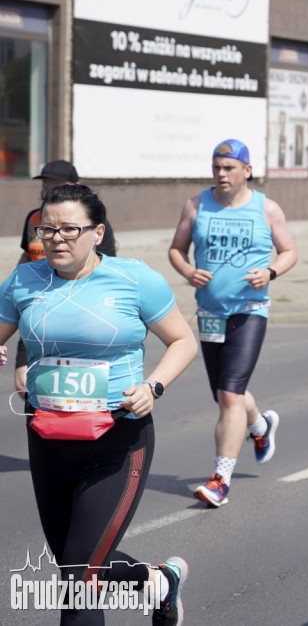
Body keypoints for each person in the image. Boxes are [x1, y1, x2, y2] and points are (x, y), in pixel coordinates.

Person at [0, 184, 197, 625]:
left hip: (117, 438)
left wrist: (154, 387)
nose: (56, 238)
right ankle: (160, 581)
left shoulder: (134, 278)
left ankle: (159, 582)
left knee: (78, 576)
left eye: (69, 228)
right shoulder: (24, 280)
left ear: (97, 233)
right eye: (46, 228)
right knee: (79, 561)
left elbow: (183, 341)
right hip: (48, 437)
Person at [169, 139, 297, 507]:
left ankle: (220, 480)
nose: (221, 174)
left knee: (229, 394)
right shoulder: (195, 206)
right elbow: (176, 249)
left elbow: (289, 252)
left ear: (247, 171)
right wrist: (188, 271)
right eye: (216, 167)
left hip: (249, 309)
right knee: (227, 394)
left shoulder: (266, 209)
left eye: (228, 168)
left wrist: (270, 272)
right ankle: (260, 426)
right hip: (210, 312)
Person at [13, 160, 118, 398]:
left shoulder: (91, 224)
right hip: (38, 301)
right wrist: (16, 281)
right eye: (46, 183)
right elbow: (26, 255)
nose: (49, 189)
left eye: (56, 184)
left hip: (78, 309)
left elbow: (104, 265)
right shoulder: (33, 218)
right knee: (34, 395)